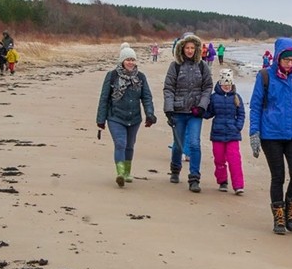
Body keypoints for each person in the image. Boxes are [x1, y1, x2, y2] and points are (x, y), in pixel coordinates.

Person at [249, 37, 292, 235]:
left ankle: (290, 210)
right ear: (278, 58)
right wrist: (254, 132)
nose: (289, 63)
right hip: (271, 135)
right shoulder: (264, 76)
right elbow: (255, 106)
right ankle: (278, 216)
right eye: (286, 59)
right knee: (278, 176)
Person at [96, 46, 156, 187]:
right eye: (128, 59)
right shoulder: (112, 76)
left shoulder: (140, 77)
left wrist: (150, 114)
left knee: (130, 146)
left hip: (134, 118)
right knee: (120, 143)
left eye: (132, 60)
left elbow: (146, 97)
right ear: (122, 61)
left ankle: (128, 172)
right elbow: (104, 98)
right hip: (115, 117)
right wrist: (100, 119)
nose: (130, 62)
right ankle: (120, 173)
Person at [163, 33, 213, 192]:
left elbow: (207, 88)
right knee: (178, 145)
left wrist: (202, 106)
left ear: (197, 49)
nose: (190, 50)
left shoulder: (202, 66)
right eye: (187, 47)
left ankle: (194, 178)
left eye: (192, 47)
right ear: (182, 48)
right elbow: (169, 88)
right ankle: (175, 169)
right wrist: (169, 109)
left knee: (194, 144)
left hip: (195, 113)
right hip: (178, 112)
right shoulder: (175, 66)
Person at [204, 68, 245, 195]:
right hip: (218, 133)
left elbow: (241, 114)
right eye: (224, 84)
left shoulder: (237, 97)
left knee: (235, 160)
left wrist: (238, 127)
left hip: (233, 134)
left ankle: (238, 185)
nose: (226, 87)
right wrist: (199, 111)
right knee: (219, 159)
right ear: (220, 84)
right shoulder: (214, 97)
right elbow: (209, 113)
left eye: (229, 84)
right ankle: (222, 181)